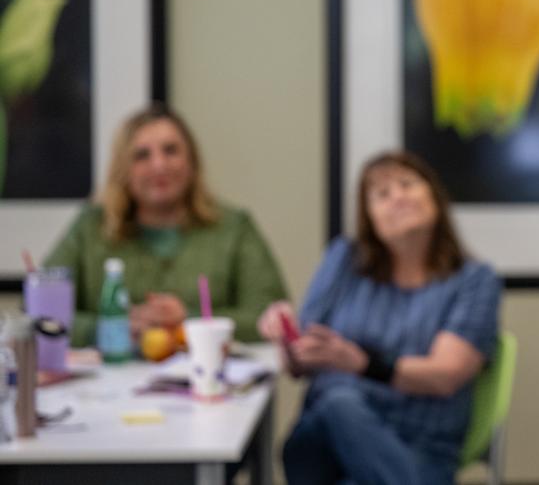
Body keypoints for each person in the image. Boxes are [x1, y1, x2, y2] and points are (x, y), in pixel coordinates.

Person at [259, 150, 501, 485]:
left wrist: (362, 363)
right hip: (324, 441)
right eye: (382, 194)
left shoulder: (474, 281)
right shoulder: (344, 260)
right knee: (340, 403)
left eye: (408, 184)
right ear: (369, 217)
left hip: (421, 448)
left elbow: (446, 375)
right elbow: (301, 366)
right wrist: (285, 338)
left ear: (434, 196)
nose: (398, 197)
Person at [45, 103, 288, 346]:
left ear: (191, 161)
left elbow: (271, 318)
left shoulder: (234, 228)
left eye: (171, 151)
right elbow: (40, 312)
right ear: (123, 169)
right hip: (109, 378)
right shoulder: (90, 228)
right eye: (142, 155)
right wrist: (107, 330)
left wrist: (189, 320)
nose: (159, 165)